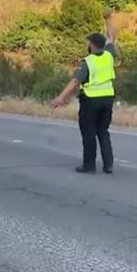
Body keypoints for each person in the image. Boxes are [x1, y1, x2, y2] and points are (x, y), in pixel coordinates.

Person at [51, 10, 117, 174]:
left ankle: (89, 165)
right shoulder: (109, 55)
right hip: (108, 99)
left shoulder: (87, 62)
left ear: (93, 45)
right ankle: (108, 164)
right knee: (103, 131)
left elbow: (75, 81)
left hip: (91, 101)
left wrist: (60, 98)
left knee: (89, 133)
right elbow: (111, 37)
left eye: (89, 43)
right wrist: (108, 19)